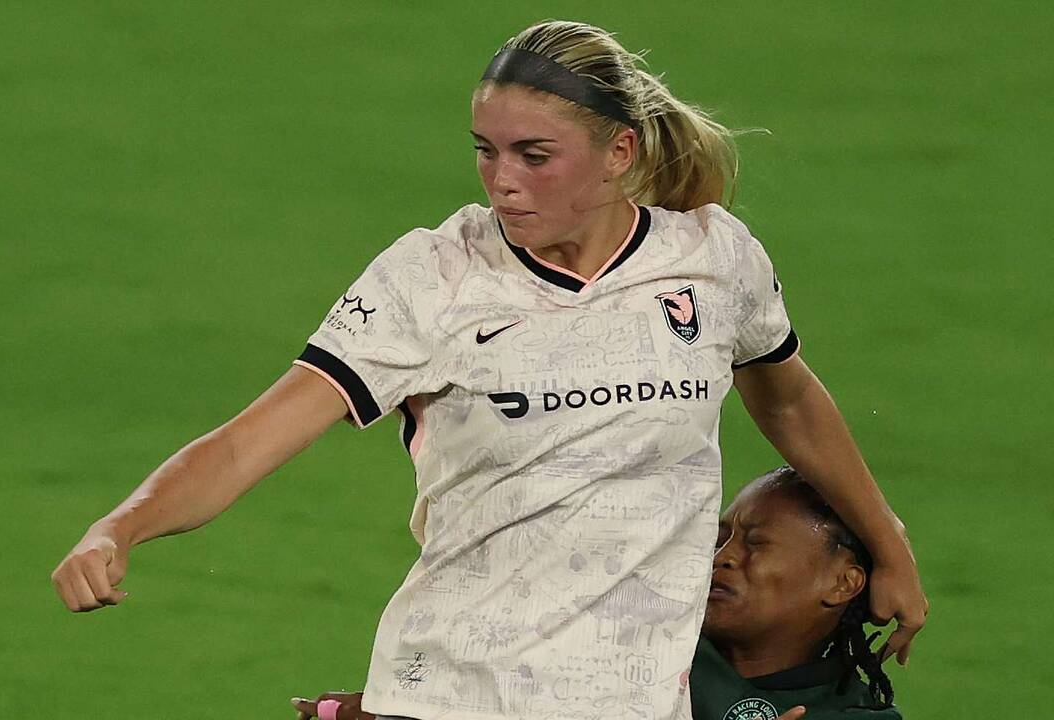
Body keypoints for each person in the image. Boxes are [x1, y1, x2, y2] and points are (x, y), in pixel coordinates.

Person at [50, 19, 926, 720]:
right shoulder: (433, 279)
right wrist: (119, 528)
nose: (501, 181)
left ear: (620, 153)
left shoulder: (712, 261)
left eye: (534, 156)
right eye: (485, 150)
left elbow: (789, 401)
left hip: (633, 702)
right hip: (454, 692)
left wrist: (887, 543)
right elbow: (250, 441)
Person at [291, 466, 902, 720]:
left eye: (757, 544)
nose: (722, 557)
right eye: (721, 536)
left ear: (842, 582)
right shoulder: (622, 640)